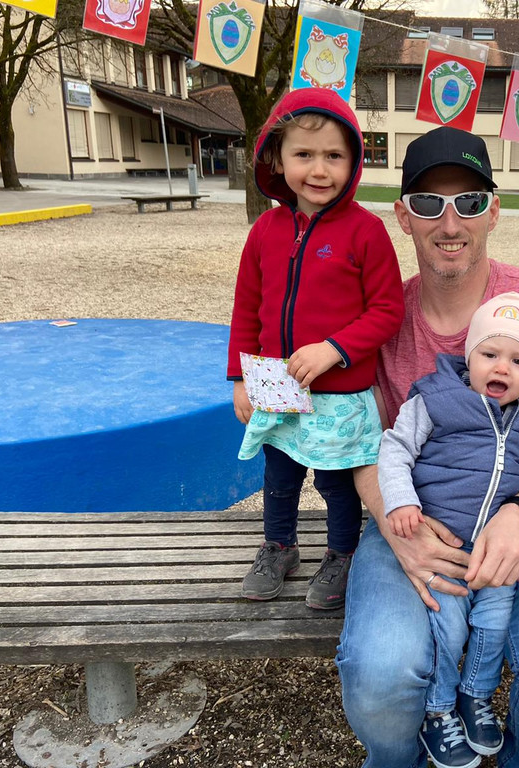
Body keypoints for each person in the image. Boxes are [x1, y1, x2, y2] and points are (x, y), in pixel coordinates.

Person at [336, 126, 519, 768]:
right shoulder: (377, 318)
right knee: (379, 678)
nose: (449, 221)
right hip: (414, 517)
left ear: (493, 211)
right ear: (402, 215)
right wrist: (398, 528)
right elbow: (365, 445)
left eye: (468, 201)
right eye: (428, 203)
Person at [378, 292, 519, 767]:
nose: (502, 368)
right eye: (489, 354)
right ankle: (437, 708)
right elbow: (395, 448)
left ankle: (475, 694)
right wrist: (401, 500)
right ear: (469, 356)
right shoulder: (436, 398)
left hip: (498, 547)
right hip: (442, 540)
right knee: (447, 626)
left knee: (493, 623)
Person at [227, 88, 404, 610]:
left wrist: (334, 348)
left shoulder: (366, 231)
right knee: (279, 477)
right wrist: (239, 378)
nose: (320, 170)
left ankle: (341, 554)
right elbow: (247, 307)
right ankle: (279, 547)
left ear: (354, 162)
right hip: (276, 385)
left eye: (334, 155)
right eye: (304, 154)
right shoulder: (265, 230)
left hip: (340, 392)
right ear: (277, 159)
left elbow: (387, 310)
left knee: (336, 482)